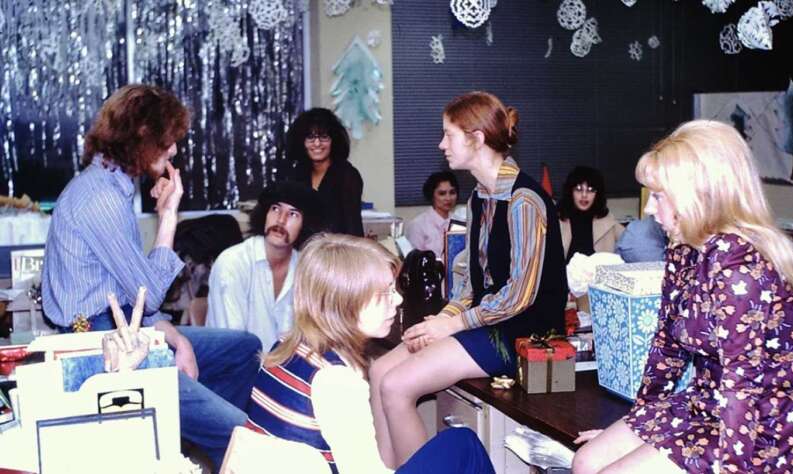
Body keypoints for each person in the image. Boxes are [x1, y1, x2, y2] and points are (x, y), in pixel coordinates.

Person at [572, 120, 793, 473]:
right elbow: (667, 348)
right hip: (708, 405)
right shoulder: (684, 248)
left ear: (697, 196)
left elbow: (742, 386)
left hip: (765, 426)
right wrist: (641, 423)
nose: (649, 209)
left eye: (659, 196)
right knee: (586, 461)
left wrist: (731, 468)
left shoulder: (741, 269)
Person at [40, 84, 261, 471]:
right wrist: (169, 215)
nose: (173, 150)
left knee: (244, 348)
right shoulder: (101, 198)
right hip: (99, 343)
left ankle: (192, 435)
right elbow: (150, 292)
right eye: (167, 141)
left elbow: (133, 297)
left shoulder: (112, 185)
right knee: (241, 433)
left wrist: (176, 338)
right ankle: (217, 434)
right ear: (141, 137)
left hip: (124, 324)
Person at [369, 91, 567, 467]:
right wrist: (443, 319)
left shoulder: (525, 200)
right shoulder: (479, 198)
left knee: (396, 386)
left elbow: (519, 296)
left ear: (476, 139)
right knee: (379, 371)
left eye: (449, 135)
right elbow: (472, 284)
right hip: (485, 322)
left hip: (523, 334)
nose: (441, 144)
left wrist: (452, 325)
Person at [244, 234, 494, 474]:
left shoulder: (285, 347)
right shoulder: (336, 380)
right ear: (346, 302)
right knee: (463, 444)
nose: (397, 300)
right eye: (385, 292)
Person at [206, 181, 323, 352]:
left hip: (282, 365)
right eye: (275, 209)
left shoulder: (306, 269)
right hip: (235, 364)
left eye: (293, 214)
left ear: (306, 225)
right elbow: (232, 346)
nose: (280, 220)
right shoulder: (232, 264)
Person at [287, 107, 364, 236]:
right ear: (301, 142)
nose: (317, 143)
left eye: (324, 137)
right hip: (302, 246)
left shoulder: (347, 175)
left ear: (334, 141)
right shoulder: (297, 174)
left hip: (336, 246)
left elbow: (353, 228)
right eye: (310, 137)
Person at [558, 165, 624, 262]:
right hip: (566, 272)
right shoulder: (557, 220)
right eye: (579, 189)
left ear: (598, 194)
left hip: (599, 271)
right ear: (570, 191)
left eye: (590, 190)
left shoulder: (608, 221)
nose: (584, 195)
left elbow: (632, 245)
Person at [404, 171, 459, 260]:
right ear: (432, 195)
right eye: (442, 193)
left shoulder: (460, 222)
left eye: (452, 192)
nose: (448, 198)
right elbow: (414, 261)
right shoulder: (418, 225)